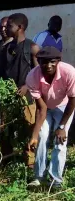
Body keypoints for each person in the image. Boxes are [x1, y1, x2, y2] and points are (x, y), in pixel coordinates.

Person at [26, 46, 75, 191]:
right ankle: (38, 177)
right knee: (41, 136)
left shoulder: (69, 72)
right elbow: (42, 109)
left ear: (58, 61)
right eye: (44, 62)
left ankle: (56, 181)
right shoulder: (32, 77)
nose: (48, 66)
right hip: (46, 108)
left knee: (59, 141)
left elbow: (73, 100)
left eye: (52, 62)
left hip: (65, 107)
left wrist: (61, 127)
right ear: (38, 61)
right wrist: (34, 135)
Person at [0, 12, 40, 157]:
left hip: (27, 98)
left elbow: (39, 73)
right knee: (5, 130)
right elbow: (1, 74)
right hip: (8, 98)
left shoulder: (32, 48)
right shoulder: (5, 49)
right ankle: (7, 159)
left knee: (28, 128)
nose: (6, 28)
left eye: (10, 26)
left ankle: (30, 163)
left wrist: (27, 86)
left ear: (20, 27)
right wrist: (0, 91)